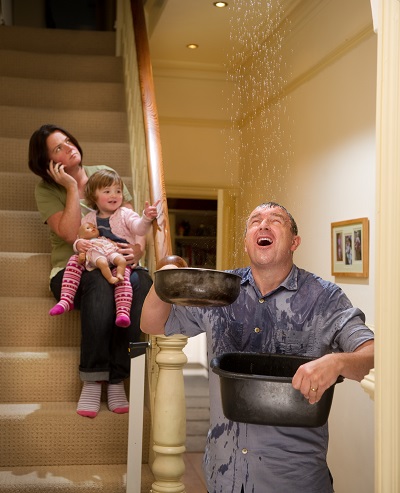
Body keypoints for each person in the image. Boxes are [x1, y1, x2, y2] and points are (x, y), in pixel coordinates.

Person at [140, 201, 374, 493]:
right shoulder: (221, 289)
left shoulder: (324, 299)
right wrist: (164, 277)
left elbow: (373, 356)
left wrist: (336, 363)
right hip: (223, 476)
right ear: (247, 242)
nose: (263, 224)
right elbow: (152, 323)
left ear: (294, 242)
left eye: (275, 220)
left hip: (293, 480)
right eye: (255, 221)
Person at [29, 123, 154, 418]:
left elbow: (133, 221)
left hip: (118, 262)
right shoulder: (46, 189)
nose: (70, 147)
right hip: (73, 268)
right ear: (47, 162)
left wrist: (138, 249)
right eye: (58, 147)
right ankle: (94, 377)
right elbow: (73, 235)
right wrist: (73, 188)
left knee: (141, 282)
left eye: (69, 140)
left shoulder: (104, 173)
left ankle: (116, 379)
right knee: (98, 281)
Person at [49, 169, 158, 328]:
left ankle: (122, 311)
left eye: (118, 191)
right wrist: (78, 245)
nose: (114, 195)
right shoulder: (89, 218)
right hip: (96, 258)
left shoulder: (125, 214)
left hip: (117, 258)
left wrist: (146, 218)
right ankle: (66, 299)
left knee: (122, 278)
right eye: (107, 191)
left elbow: (139, 229)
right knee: (73, 261)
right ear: (94, 197)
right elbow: (80, 238)